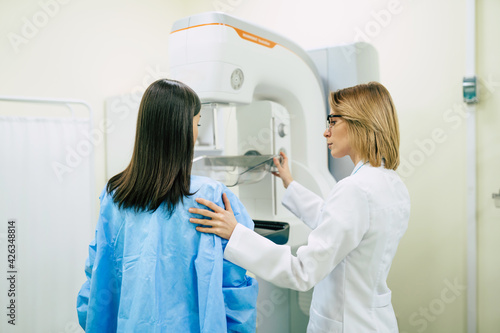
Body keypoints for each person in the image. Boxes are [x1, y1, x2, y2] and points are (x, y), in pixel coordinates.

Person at [189, 82, 411, 332]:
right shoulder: (392, 183)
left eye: (332, 121)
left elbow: (302, 271)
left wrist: (236, 234)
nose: (326, 132)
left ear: (358, 122)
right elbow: (340, 226)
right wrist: (290, 183)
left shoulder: (354, 189)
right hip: (376, 321)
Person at [76, 79, 258, 332]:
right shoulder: (210, 197)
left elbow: (97, 277)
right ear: (182, 130)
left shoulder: (115, 194)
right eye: (198, 123)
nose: (197, 132)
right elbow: (233, 284)